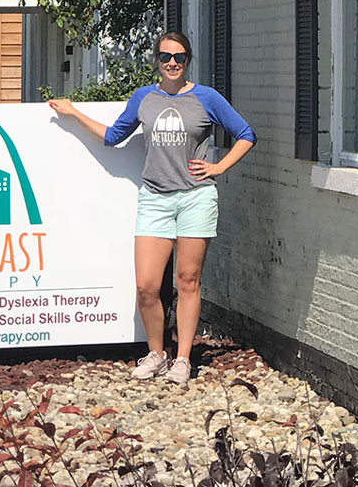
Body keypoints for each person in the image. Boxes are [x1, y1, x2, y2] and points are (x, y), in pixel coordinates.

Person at [48, 32, 256, 384]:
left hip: (196, 197)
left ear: (188, 60)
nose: (172, 63)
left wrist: (219, 167)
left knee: (187, 281)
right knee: (146, 284)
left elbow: (245, 133)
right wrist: (74, 113)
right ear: (157, 60)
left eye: (179, 57)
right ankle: (157, 353)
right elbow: (115, 136)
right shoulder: (144, 98)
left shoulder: (206, 98)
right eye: (165, 57)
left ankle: (183, 359)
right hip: (155, 198)